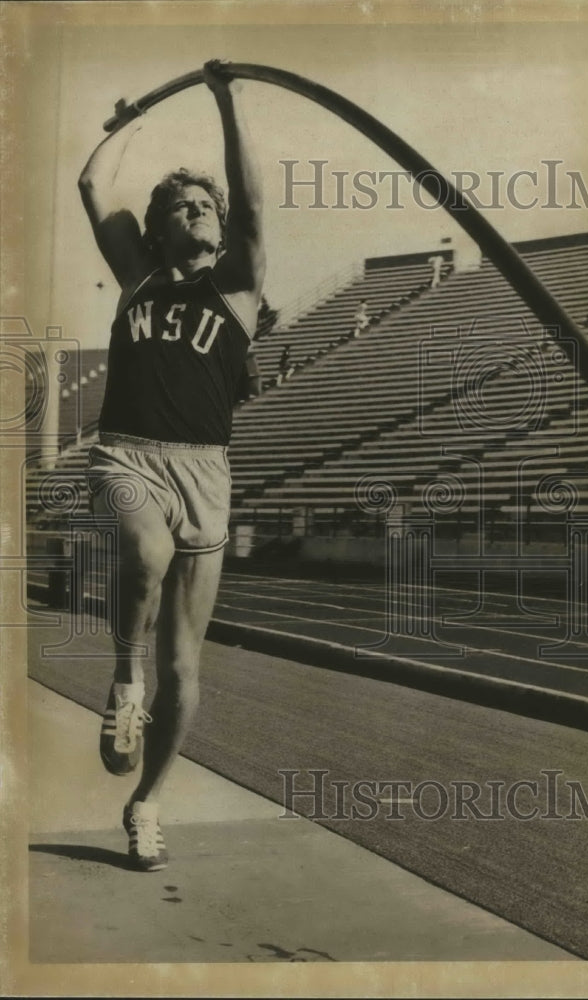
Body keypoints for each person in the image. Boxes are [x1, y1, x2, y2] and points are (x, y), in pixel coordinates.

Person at [78, 59, 265, 872]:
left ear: (220, 228)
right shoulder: (138, 275)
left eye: (205, 205)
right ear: (154, 230)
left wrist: (227, 101)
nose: (196, 210)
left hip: (208, 474)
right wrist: (131, 120)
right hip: (129, 454)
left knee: (186, 669)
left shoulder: (242, 289)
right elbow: (93, 185)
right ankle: (123, 680)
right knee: (146, 554)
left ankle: (146, 803)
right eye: (178, 205)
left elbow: (253, 200)